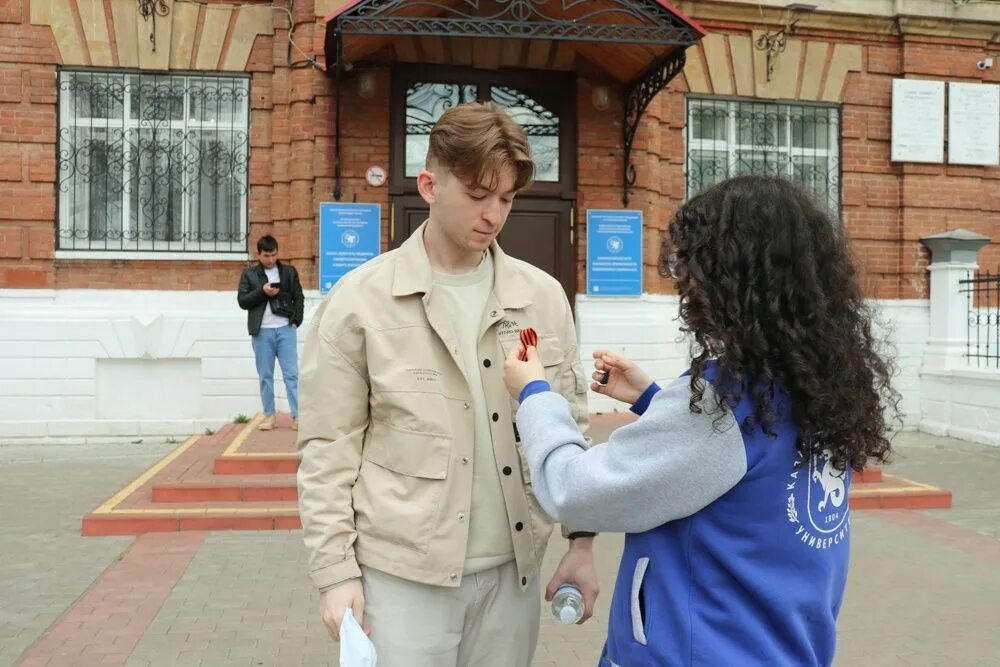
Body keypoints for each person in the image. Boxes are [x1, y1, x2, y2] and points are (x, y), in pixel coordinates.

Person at [503, 175, 901, 667]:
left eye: (693, 263)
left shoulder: (722, 403)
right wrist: (654, 399)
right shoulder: (815, 385)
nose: (684, 280)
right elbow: (737, 473)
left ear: (733, 274)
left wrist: (535, 394)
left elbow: (575, 490)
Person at [296, 102, 598, 666]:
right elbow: (327, 450)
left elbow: (569, 425)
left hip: (515, 577)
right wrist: (335, 574)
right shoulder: (360, 302)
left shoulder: (541, 299)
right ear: (430, 184)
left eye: (506, 199)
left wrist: (581, 541)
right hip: (403, 582)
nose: (493, 215)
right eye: (478, 194)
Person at [237, 234, 305, 431]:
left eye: (274, 255)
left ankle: (298, 415)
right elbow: (242, 301)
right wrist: (262, 292)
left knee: (291, 374)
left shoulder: (288, 272)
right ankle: (269, 415)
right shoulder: (250, 274)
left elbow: (298, 297)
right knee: (265, 375)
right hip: (261, 331)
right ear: (258, 254)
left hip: (285, 329)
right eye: (266, 256)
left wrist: (296, 320)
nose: (271, 259)